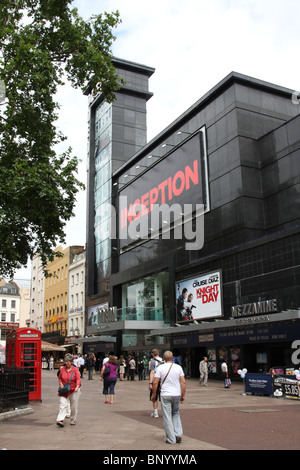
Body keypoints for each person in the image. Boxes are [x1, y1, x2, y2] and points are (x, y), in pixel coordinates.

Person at [151, 350, 186, 445]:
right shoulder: (178, 367)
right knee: (175, 413)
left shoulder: (160, 368)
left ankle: (171, 439)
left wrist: (154, 394)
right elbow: (183, 382)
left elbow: (155, 382)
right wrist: (183, 395)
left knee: (167, 416)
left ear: (164, 358)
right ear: (172, 357)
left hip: (165, 394)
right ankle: (178, 434)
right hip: (176, 394)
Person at [56, 353, 81, 427]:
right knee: (62, 404)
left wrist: (77, 386)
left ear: (71, 362)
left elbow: (78, 379)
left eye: (68, 362)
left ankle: (73, 419)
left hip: (73, 389)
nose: (66, 363)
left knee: (73, 406)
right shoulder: (62, 369)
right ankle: (60, 419)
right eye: (65, 361)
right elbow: (59, 377)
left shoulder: (75, 369)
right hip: (64, 389)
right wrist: (60, 383)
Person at [149, 349, 163, 418]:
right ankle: (165, 412)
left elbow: (152, 372)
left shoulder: (153, 362)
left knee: (154, 396)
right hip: (163, 381)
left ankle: (155, 412)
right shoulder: (164, 361)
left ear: (153, 354)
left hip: (156, 381)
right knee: (163, 397)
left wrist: (150, 383)